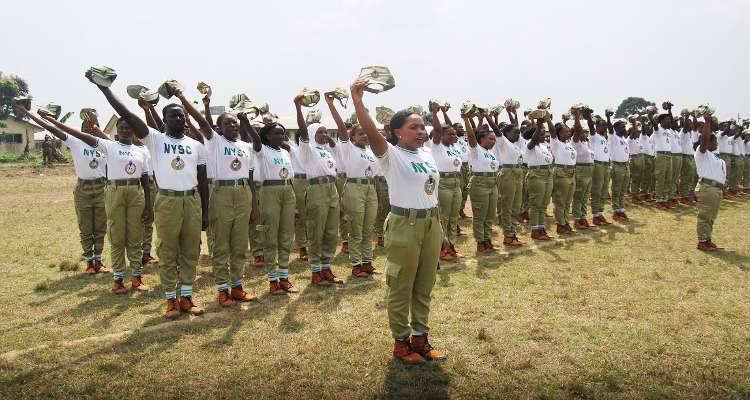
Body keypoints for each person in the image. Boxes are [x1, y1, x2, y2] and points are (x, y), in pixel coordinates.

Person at [88, 74, 209, 319]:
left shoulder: (196, 145)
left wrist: (205, 211)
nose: (179, 118)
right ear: (163, 120)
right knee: (167, 250)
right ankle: (170, 300)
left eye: (181, 115)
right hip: (167, 201)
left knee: (190, 251)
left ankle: (186, 296)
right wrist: (105, 90)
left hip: (192, 201)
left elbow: (203, 181)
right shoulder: (155, 139)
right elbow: (125, 112)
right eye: (173, 115)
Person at [351, 78, 445, 365]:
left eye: (422, 126)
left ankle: (420, 338)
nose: (421, 131)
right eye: (413, 127)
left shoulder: (427, 154)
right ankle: (401, 342)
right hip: (405, 225)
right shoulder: (390, 154)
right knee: (401, 285)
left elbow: (432, 193)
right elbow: (369, 130)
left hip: (430, 225)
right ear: (397, 132)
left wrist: (441, 230)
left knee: (424, 285)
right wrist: (358, 101)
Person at [40, 110, 152, 294]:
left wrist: (148, 205)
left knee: (135, 236)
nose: (125, 131)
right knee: (117, 236)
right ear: (117, 130)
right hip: (114, 190)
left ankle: (136, 277)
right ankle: (117, 279)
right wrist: (51, 120)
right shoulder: (109, 146)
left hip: (135, 193)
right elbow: (76, 134)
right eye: (122, 128)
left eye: (128, 128)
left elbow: (145, 180)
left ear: (133, 131)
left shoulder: (141, 152)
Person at [173, 90, 258, 307]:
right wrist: (183, 99)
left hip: (243, 194)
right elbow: (202, 122)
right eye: (228, 124)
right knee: (221, 244)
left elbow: (249, 176)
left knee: (239, 245)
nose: (233, 126)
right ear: (219, 128)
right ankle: (222, 290)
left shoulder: (246, 146)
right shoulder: (215, 142)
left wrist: (254, 205)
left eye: (235, 123)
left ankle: (237, 287)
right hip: (221, 193)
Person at [15, 100, 108, 274]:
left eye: (92, 126)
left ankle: (99, 260)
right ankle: (89, 262)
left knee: (101, 227)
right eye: (85, 127)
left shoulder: (104, 144)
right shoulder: (75, 141)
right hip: (84, 188)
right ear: (80, 130)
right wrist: (27, 112)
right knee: (86, 226)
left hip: (102, 187)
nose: (88, 129)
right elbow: (52, 129)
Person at [326, 92, 379, 276]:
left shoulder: (371, 151)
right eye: (360, 133)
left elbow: (376, 175)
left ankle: (367, 262)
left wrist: (377, 194)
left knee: (368, 228)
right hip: (354, 188)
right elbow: (341, 126)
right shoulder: (348, 148)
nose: (365, 135)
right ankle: (356, 265)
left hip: (370, 188)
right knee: (356, 228)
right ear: (352, 136)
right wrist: (331, 104)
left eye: (366, 133)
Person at [293, 94, 343, 286]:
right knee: (317, 230)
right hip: (316, 190)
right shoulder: (307, 149)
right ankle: (315, 271)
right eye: (320, 132)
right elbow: (303, 132)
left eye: (325, 132)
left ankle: (327, 268)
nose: (324, 135)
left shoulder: (326, 150)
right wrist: (299, 108)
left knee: (331, 231)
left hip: (332, 189)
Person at [247, 117, 299, 294]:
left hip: (288, 191)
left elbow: (290, 176)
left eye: (282, 133)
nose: (281, 136)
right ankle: (272, 281)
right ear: (267, 136)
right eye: (276, 133)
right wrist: (245, 121)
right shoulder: (261, 150)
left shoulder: (285, 152)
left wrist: (295, 204)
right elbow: (254, 137)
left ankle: (284, 278)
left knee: (286, 236)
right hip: (270, 191)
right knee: (270, 237)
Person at [426, 103, 462, 261]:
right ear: (441, 135)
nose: (455, 136)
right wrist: (435, 114)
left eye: (455, 134)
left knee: (454, 217)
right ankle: (441, 247)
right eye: (451, 134)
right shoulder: (437, 146)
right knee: (443, 217)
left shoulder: (455, 147)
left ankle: (451, 245)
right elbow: (438, 130)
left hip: (456, 182)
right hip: (443, 183)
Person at [486, 107, 524, 244]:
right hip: (508, 173)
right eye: (515, 132)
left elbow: (516, 125)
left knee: (516, 205)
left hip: (518, 172)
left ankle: (513, 231)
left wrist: (513, 113)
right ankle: (508, 234)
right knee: (508, 205)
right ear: (506, 133)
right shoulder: (503, 141)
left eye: (519, 133)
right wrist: (487, 116)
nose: (518, 134)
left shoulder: (516, 144)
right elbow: (496, 129)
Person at [463, 112, 499, 251]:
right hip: (479, 183)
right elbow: (472, 135)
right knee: (480, 215)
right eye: (490, 139)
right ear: (481, 139)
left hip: (492, 183)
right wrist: (466, 118)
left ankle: (487, 240)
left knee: (490, 215)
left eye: (494, 139)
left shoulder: (491, 152)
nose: (493, 141)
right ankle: (480, 242)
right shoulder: (475, 149)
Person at [694, 114, 725, 251]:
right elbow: (705, 139)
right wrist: (707, 122)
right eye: (715, 142)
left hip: (716, 189)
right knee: (705, 215)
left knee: (711, 216)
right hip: (708, 187)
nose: (717, 144)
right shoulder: (702, 153)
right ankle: (702, 241)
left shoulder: (715, 156)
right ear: (708, 143)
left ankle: (707, 239)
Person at [524, 116, 555, 239]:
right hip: (536, 175)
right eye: (541, 134)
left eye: (544, 134)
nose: (543, 136)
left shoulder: (543, 145)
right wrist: (538, 125)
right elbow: (533, 140)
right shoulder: (530, 145)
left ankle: (541, 228)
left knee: (543, 204)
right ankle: (535, 230)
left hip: (548, 174)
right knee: (536, 203)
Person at [550, 111, 580, 233]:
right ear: (559, 133)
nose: (569, 133)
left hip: (571, 172)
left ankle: (566, 222)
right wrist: (547, 118)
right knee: (560, 201)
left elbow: (577, 130)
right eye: (566, 131)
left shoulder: (569, 143)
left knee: (568, 201)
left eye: (569, 131)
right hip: (561, 172)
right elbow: (552, 130)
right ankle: (560, 224)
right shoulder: (555, 142)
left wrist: (577, 115)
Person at [287, 130, 309, 262]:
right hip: (299, 182)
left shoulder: (316, 150)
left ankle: (313, 245)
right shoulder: (293, 149)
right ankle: (302, 247)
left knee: (314, 215)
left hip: (313, 181)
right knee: (300, 216)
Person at [588, 112, 612, 225]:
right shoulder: (594, 136)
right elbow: (590, 126)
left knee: (604, 191)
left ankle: (600, 213)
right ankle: (595, 215)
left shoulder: (604, 137)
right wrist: (588, 116)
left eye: (605, 126)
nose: (604, 128)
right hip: (597, 165)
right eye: (602, 126)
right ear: (597, 127)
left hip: (606, 165)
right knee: (596, 191)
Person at [647, 108, 674, 209]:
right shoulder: (657, 129)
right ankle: (659, 200)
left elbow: (672, 121)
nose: (669, 121)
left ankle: (665, 199)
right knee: (661, 178)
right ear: (661, 121)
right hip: (661, 155)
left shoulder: (668, 131)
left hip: (669, 155)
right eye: (666, 119)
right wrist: (650, 115)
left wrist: (670, 109)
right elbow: (653, 123)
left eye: (669, 119)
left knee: (668, 178)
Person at [609, 119, 631, 221]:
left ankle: (621, 209)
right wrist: (608, 118)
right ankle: (616, 211)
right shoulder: (613, 137)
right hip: (617, 166)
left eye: (624, 127)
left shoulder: (624, 139)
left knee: (623, 190)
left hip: (626, 166)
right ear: (616, 128)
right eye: (622, 127)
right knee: (616, 189)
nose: (624, 128)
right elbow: (610, 128)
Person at [679, 115, 699, 203]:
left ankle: (688, 194)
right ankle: (684, 196)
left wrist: (694, 116)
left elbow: (695, 124)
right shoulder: (684, 132)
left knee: (692, 176)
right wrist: (686, 118)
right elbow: (686, 126)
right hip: (685, 157)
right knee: (685, 177)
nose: (692, 125)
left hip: (691, 157)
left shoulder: (691, 134)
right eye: (690, 124)